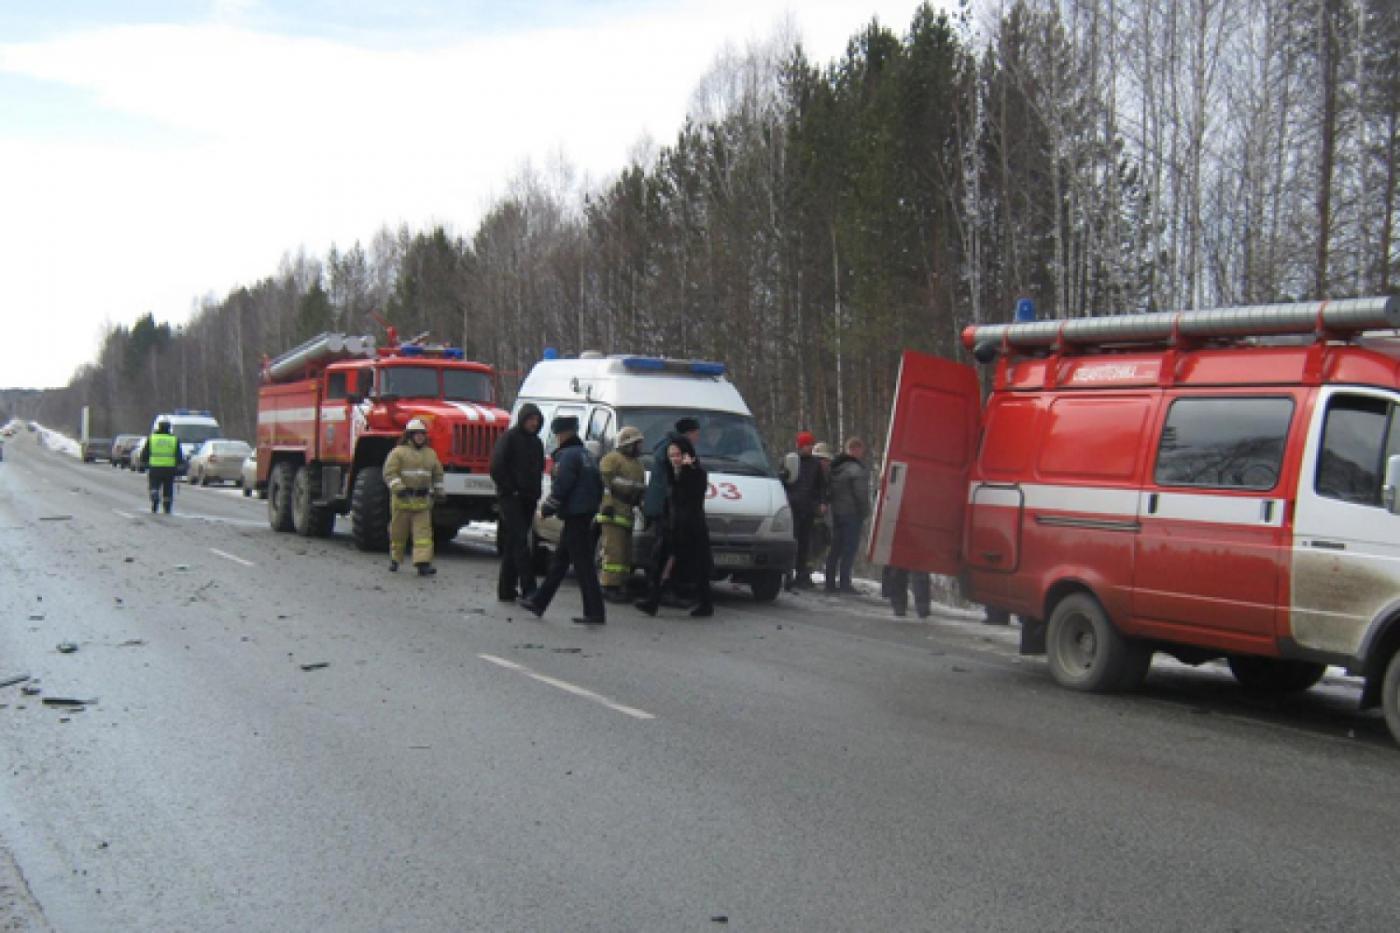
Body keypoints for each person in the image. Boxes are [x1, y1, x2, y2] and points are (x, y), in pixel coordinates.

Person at [519, 415, 606, 625]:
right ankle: (540, 602)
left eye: (557, 434)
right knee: (560, 562)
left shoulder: (567, 457)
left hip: (575, 515)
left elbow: (562, 486)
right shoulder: (587, 455)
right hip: (584, 513)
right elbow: (598, 485)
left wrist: (547, 508)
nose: (557, 438)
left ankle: (595, 612)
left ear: (562, 434)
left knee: (583, 565)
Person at [634, 435, 713, 618]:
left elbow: (691, 497)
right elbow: (670, 501)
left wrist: (688, 470)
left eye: (678, 455)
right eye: (671, 456)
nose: (675, 459)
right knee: (662, 564)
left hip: (691, 529)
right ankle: (653, 600)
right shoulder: (671, 474)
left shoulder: (696, 474)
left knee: (698, 567)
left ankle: (705, 603)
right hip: (673, 527)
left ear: (687, 454)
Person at [490, 402, 545, 601]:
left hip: (528, 498)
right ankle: (528, 587)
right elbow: (497, 465)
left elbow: (537, 470)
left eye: (536, 420)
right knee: (521, 541)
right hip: (511, 498)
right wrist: (509, 489)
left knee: (514, 541)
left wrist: (536, 492)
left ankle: (506, 589)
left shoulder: (537, 443)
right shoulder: (510, 438)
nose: (533, 423)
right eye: (530, 419)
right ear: (523, 419)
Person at [383, 417, 445, 576]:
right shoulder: (398, 452)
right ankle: (395, 559)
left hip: (422, 502)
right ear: (409, 435)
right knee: (398, 533)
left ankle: (423, 563)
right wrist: (398, 488)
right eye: (416, 434)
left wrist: (439, 492)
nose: (420, 437)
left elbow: (437, 475)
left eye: (422, 434)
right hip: (402, 501)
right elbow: (389, 473)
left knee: (423, 535)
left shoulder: (430, 454)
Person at [597, 426, 647, 602]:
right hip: (612, 513)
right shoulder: (611, 459)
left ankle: (620, 585)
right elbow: (606, 482)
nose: (640, 447)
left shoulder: (638, 465)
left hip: (627, 514)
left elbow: (640, 490)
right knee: (614, 552)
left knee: (625, 554)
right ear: (627, 444)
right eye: (637, 444)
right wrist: (609, 503)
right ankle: (607, 586)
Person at [781, 430, 827, 589]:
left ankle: (801, 574)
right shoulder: (790, 461)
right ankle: (787, 574)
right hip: (792, 507)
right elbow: (783, 480)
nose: (809, 448)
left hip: (807, 508)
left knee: (804, 543)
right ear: (800, 446)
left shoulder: (815, 464)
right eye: (807, 445)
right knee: (791, 542)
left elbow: (821, 486)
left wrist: (822, 502)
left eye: (810, 445)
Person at [824, 437, 870, 594]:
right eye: (860, 449)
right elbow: (861, 494)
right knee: (849, 549)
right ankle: (844, 582)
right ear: (856, 450)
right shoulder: (856, 469)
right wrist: (865, 512)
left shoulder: (835, 466)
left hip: (837, 513)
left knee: (835, 548)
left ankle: (829, 581)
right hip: (851, 513)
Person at [140, 419, 186, 514]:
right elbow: (179, 455)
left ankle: (154, 495)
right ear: (169, 428)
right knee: (168, 488)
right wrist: (180, 465)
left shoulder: (152, 438)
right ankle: (167, 507)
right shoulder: (174, 439)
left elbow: (145, 452)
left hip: (155, 467)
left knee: (154, 485)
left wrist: (143, 462)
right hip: (169, 468)